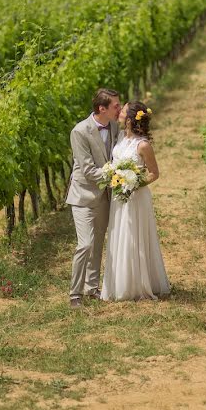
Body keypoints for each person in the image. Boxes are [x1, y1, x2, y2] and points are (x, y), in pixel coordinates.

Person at [101, 101, 170, 302]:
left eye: (122, 110)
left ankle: (137, 285)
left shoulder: (143, 145)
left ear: (130, 119)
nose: (119, 112)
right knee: (120, 235)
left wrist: (133, 182)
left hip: (136, 197)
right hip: (119, 197)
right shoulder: (120, 137)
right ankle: (120, 283)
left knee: (134, 237)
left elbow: (154, 173)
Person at [65, 88, 121, 309]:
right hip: (84, 196)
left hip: (105, 195)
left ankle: (91, 287)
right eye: (116, 106)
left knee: (98, 243)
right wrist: (118, 176)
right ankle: (75, 293)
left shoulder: (115, 127)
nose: (119, 109)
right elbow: (88, 171)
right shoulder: (80, 131)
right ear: (102, 108)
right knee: (85, 244)